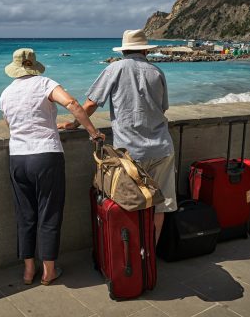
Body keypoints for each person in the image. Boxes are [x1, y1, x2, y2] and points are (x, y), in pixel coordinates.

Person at [59, 29, 177, 244]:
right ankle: (150, 254)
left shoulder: (115, 68)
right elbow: (163, 108)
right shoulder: (157, 71)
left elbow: (92, 103)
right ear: (145, 50)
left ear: (124, 50)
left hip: (130, 153)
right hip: (162, 147)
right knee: (160, 204)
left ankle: (131, 256)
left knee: (130, 204)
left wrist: (75, 123)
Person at [0, 48, 105, 286]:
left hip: (18, 157)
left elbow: (10, 124)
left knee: (25, 215)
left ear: (15, 68)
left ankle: (28, 271)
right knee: (49, 213)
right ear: (34, 65)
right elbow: (72, 103)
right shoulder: (45, 83)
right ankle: (48, 271)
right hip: (45, 155)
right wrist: (93, 132)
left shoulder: (6, 93)